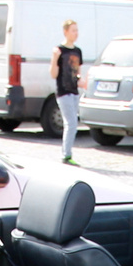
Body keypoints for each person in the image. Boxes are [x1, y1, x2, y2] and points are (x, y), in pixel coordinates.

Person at [49, 20, 82, 164]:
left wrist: (82, 82)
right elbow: (53, 74)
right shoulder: (59, 50)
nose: (76, 33)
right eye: (73, 30)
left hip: (74, 92)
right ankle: (66, 155)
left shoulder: (77, 51)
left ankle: (67, 154)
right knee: (71, 123)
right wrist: (55, 58)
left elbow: (77, 73)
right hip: (63, 91)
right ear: (66, 32)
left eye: (77, 30)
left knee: (73, 123)